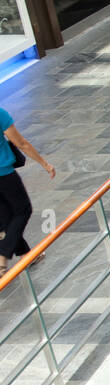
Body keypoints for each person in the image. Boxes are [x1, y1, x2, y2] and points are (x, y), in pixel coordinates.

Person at [0, 106, 56, 274]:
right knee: (23, 210)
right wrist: (44, 163)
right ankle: (2, 258)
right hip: (3, 174)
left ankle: (27, 255)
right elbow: (21, 143)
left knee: (7, 219)